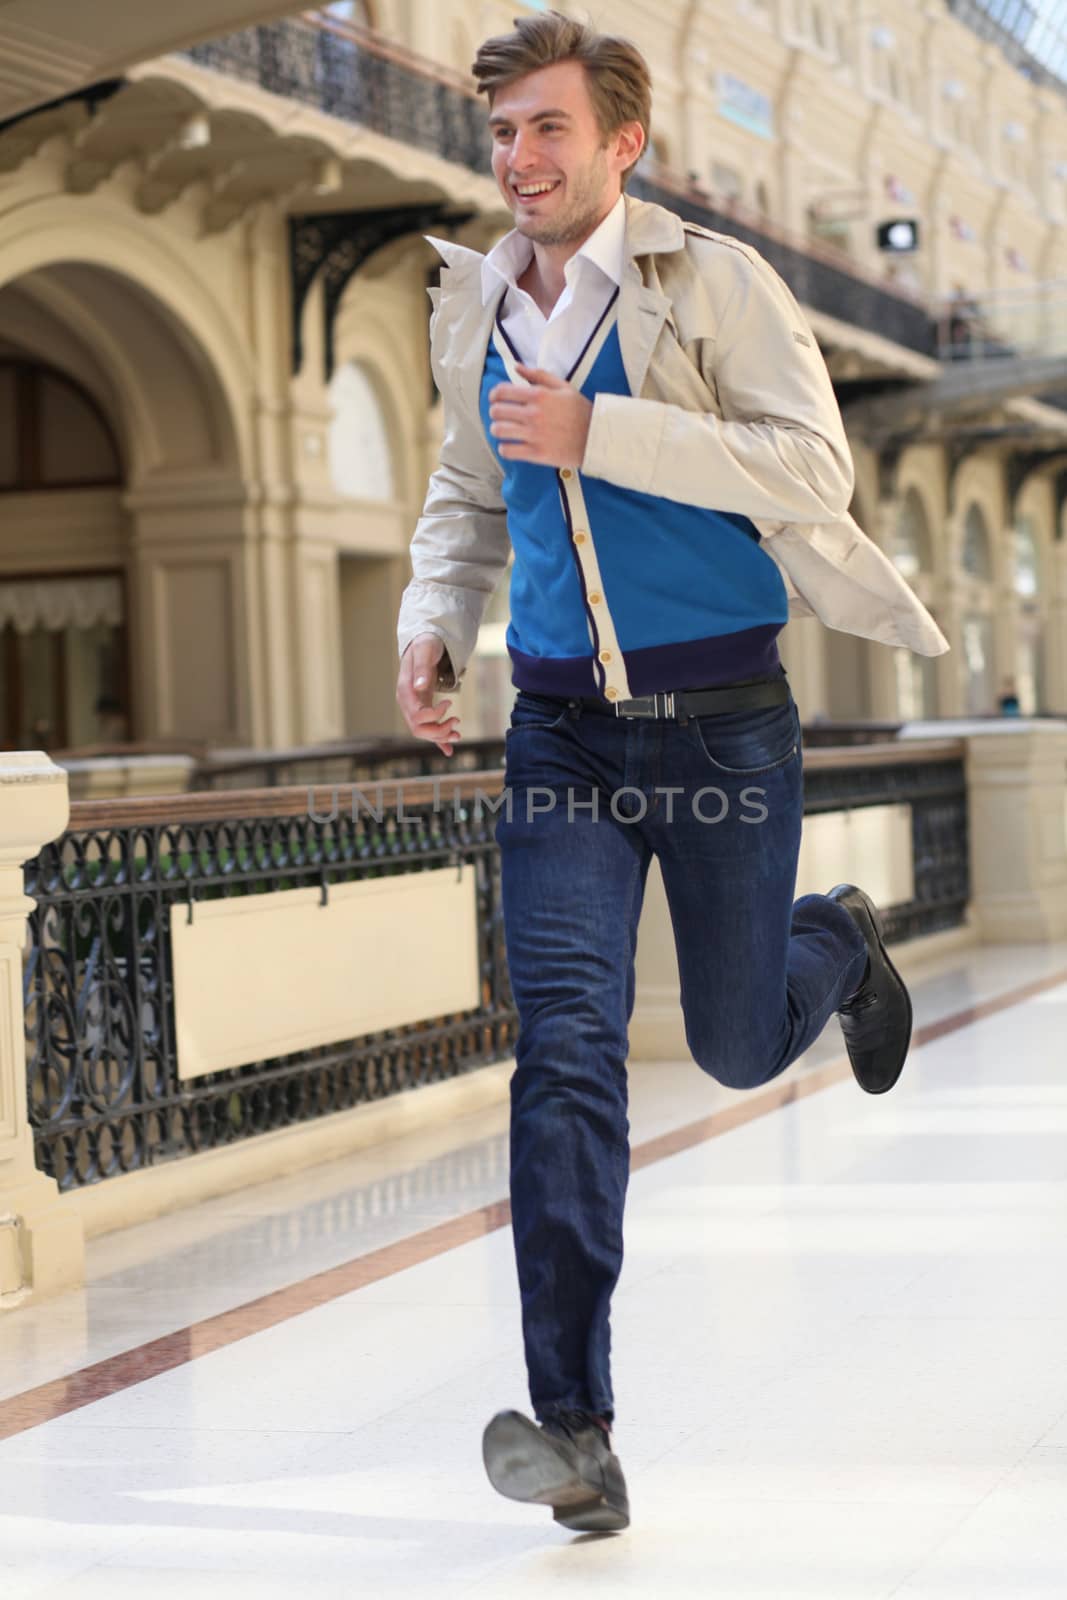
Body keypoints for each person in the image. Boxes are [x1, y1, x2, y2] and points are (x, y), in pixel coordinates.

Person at [396, 11, 948, 1534]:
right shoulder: (471, 299)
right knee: (565, 1050)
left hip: (720, 725)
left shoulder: (715, 281)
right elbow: (464, 484)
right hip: (561, 733)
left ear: (622, 142)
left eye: (546, 129)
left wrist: (602, 429)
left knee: (725, 1043)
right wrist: (434, 620)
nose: (516, 159)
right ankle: (576, 1427)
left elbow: (807, 467)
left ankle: (831, 942)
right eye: (499, 131)